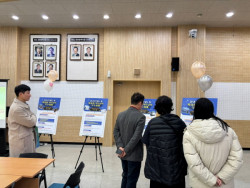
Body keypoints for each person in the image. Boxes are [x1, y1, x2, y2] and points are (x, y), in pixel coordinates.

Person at [183, 98, 243, 188]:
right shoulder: (228, 131)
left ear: (195, 111)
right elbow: (237, 158)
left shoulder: (189, 133)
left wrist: (212, 179)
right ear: (212, 110)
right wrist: (220, 177)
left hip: (200, 184)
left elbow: (194, 164)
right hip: (223, 184)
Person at [142, 95, 187, 188]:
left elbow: (146, 141)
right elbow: (186, 143)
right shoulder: (179, 122)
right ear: (171, 107)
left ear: (157, 108)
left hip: (156, 168)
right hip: (176, 168)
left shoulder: (152, 123)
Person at [113, 92, 146, 188]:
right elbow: (136, 137)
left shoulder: (120, 114)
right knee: (132, 180)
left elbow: (116, 131)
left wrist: (121, 147)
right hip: (134, 155)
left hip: (122, 153)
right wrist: (126, 150)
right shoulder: (141, 117)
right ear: (140, 103)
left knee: (125, 176)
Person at [8, 84, 37, 157]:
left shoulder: (23, 104)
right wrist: (34, 117)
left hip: (25, 138)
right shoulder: (17, 108)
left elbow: (31, 117)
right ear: (21, 94)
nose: (30, 95)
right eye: (28, 93)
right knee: (21, 164)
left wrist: (32, 117)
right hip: (20, 142)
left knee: (29, 163)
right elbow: (31, 122)